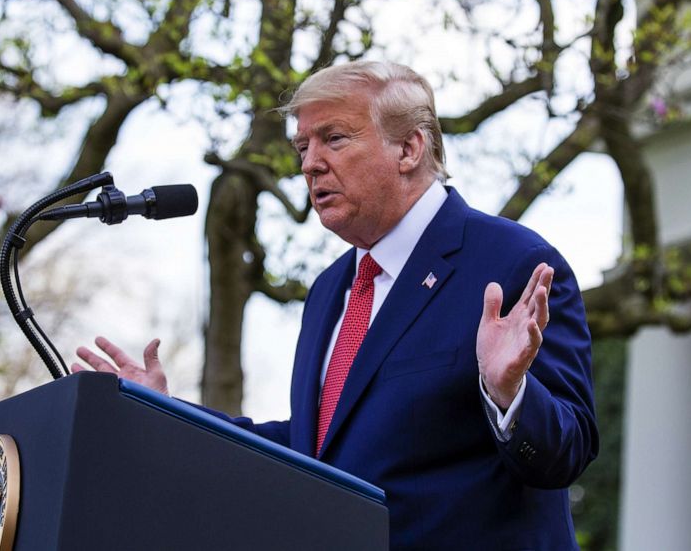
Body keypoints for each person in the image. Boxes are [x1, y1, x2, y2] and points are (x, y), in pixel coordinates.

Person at [74, 61, 598, 550]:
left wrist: (511, 395)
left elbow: (567, 452)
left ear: (409, 149)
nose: (310, 164)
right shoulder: (330, 289)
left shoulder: (512, 264)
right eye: (303, 146)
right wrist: (166, 414)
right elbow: (313, 447)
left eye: (334, 139)